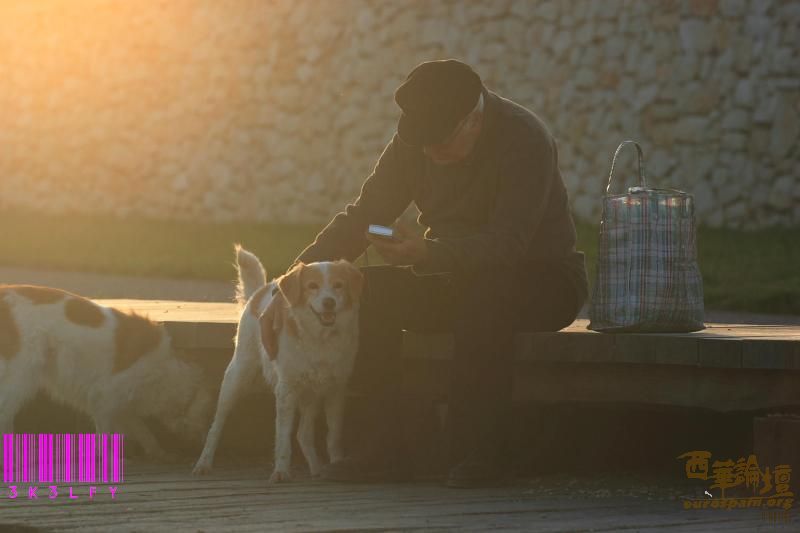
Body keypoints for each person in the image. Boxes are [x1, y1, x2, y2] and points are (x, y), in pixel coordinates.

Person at [284, 59, 588, 487]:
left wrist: (428, 253)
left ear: (473, 121)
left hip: (541, 279)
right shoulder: (416, 141)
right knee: (368, 293)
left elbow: (508, 244)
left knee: (488, 295)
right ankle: (384, 449)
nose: (428, 153)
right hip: (453, 274)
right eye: (421, 143)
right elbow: (364, 216)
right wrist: (289, 285)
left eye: (439, 144)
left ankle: (479, 452)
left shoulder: (525, 139)